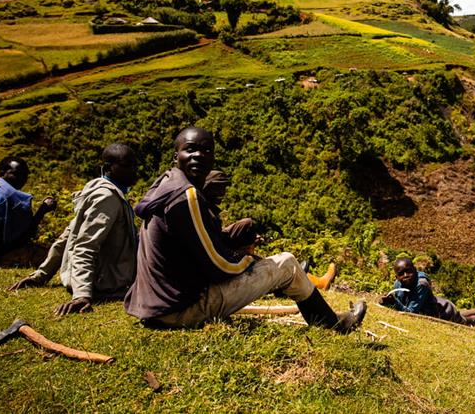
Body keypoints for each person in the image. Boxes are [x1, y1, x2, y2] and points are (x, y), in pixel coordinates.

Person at [124, 126, 366, 332]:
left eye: (206, 150)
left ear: (213, 158)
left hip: (153, 307)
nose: (198, 155)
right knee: (287, 264)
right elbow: (218, 265)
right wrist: (251, 261)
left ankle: (297, 294)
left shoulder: (165, 184)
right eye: (190, 149)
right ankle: (334, 325)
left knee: (272, 265)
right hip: (178, 311)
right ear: (175, 156)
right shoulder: (187, 196)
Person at [9, 143, 140, 316]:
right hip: (104, 282)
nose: (134, 170)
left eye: (135, 165)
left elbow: (69, 235)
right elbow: (86, 246)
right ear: (108, 168)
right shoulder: (107, 197)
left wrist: (41, 275)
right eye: (127, 166)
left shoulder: (97, 190)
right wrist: (82, 295)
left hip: (93, 279)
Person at [203, 170, 338, 291]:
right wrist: (241, 255)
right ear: (208, 188)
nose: (223, 193)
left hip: (220, 249)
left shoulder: (209, 208)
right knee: (260, 263)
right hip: (217, 261)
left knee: (247, 224)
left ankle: (308, 279)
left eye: (223, 188)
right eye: (218, 188)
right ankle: (316, 282)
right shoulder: (203, 210)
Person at [379, 257, 475, 331]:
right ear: (397, 277)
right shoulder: (397, 284)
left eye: (408, 271)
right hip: (440, 305)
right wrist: (388, 301)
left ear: (415, 270)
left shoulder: (421, 284)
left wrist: (394, 303)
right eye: (401, 273)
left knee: (465, 322)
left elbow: (410, 312)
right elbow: (402, 302)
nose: (405, 275)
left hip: (442, 312)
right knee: (461, 315)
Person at [0, 156, 56, 266]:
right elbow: (25, 236)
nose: (22, 178)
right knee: (58, 256)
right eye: (16, 174)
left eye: (25, 175)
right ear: (2, 173)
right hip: (6, 256)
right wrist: (42, 210)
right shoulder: (5, 199)